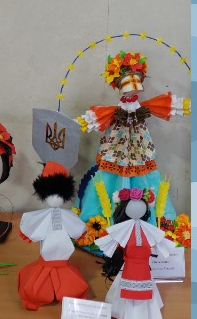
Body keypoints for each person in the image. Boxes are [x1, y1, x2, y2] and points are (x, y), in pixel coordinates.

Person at [76, 50, 189, 225]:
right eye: (128, 86)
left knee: (143, 171)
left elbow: (164, 106)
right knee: (110, 172)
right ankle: (106, 216)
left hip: (139, 145)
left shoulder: (141, 108)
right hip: (116, 145)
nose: (131, 91)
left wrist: (184, 106)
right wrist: (78, 123)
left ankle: (147, 216)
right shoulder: (116, 111)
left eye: (135, 85)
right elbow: (96, 117)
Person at [95, 188, 177, 319]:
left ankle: (143, 313)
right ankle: (128, 312)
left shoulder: (147, 228)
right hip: (129, 265)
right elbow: (115, 239)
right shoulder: (124, 228)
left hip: (143, 266)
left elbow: (158, 239)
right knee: (126, 287)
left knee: (143, 286)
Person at [17, 162, 89, 309]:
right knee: (35, 292)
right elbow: (31, 229)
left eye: (59, 194)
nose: (55, 198)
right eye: (51, 194)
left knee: (72, 289)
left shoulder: (68, 216)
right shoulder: (40, 217)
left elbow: (78, 229)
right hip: (46, 260)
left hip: (64, 261)